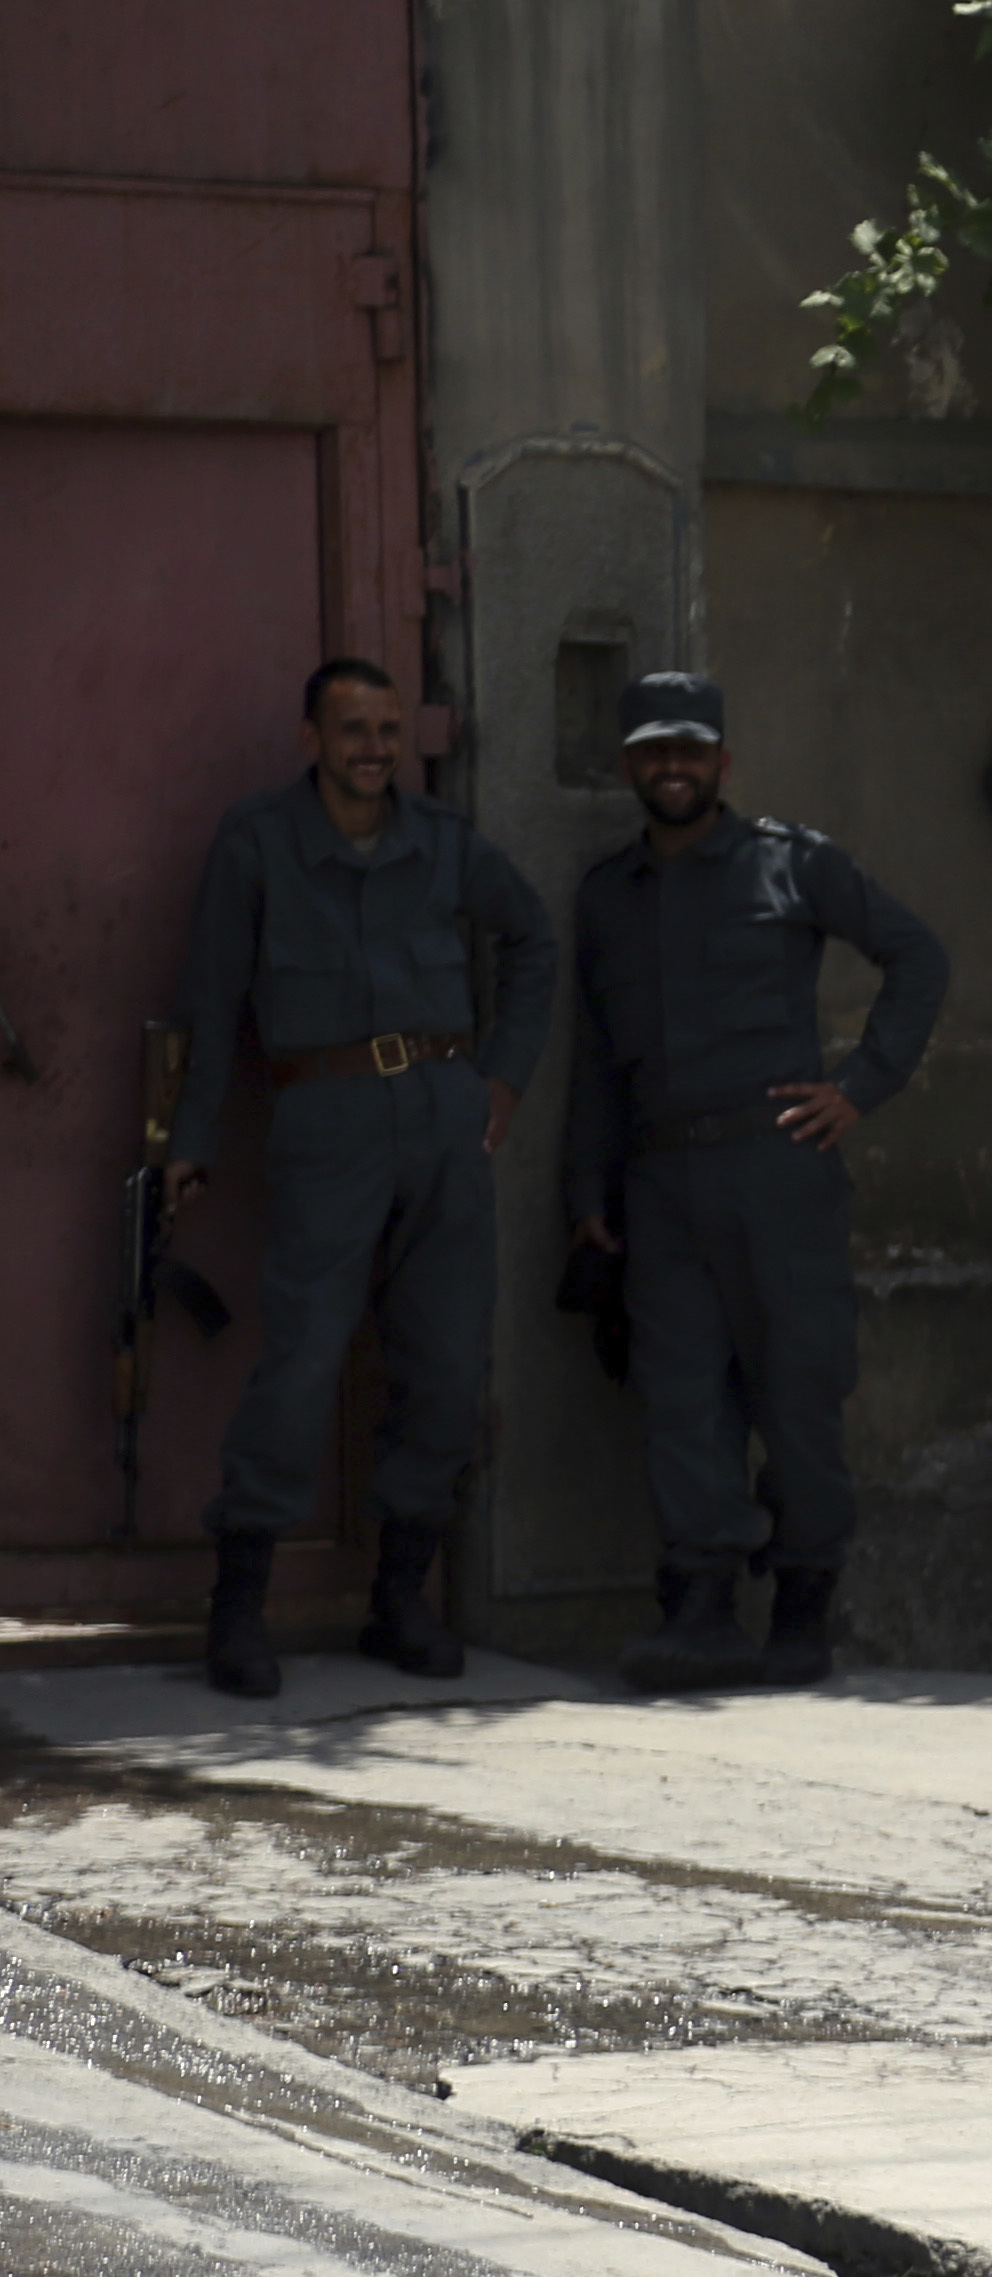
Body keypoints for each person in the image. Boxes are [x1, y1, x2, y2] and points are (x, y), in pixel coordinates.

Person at [163, 656, 558, 1697]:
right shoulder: (257, 842)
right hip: (324, 1120)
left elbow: (532, 941)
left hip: (443, 1116)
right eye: (353, 731)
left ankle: (399, 1602)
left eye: (388, 729)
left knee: (443, 1365)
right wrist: (190, 1139)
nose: (375, 749)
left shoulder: (444, 843)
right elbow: (211, 1003)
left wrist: (502, 1081)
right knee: (300, 1364)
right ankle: (238, 1610)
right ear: (312, 741)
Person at [561, 673, 948, 1693]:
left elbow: (917, 957)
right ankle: (700, 1612)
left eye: (690, 751)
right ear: (630, 765)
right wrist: (585, 1190)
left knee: (799, 1388)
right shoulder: (607, 894)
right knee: (681, 1399)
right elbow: (595, 1054)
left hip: (776, 1168)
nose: (673, 768)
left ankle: (804, 1604)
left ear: (723, 764)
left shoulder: (792, 864)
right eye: (653, 752)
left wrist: (860, 1087)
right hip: (659, 1178)